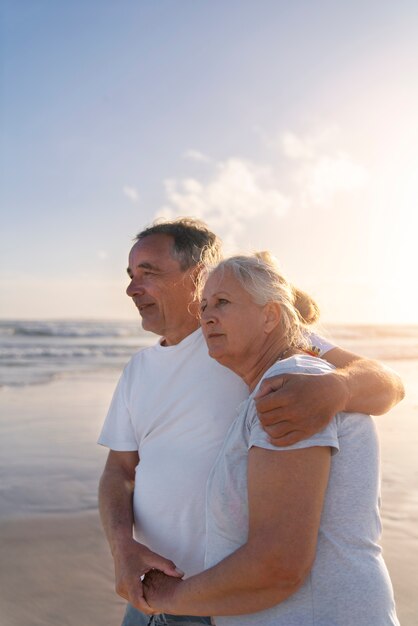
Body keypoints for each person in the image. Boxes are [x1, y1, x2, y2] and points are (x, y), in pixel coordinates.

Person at [98, 218, 404, 626]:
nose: (132, 288)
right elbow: (119, 470)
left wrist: (339, 388)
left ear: (197, 276)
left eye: (148, 273)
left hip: (217, 601)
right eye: (131, 275)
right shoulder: (140, 369)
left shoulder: (262, 343)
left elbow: (390, 386)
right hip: (149, 595)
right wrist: (123, 549)